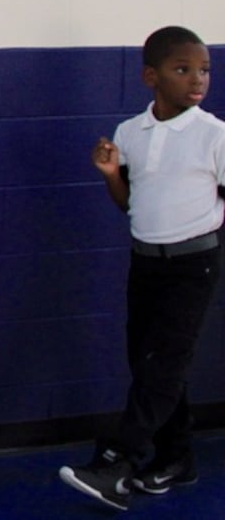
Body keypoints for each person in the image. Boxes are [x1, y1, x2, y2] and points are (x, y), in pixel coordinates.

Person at [58, 26, 225, 511]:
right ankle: (177, 457)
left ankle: (119, 461)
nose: (197, 80)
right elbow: (130, 204)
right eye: (183, 69)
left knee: (165, 365)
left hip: (195, 263)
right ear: (151, 76)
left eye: (204, 70)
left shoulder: (213, 134)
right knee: (148, 363)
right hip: (146, 260)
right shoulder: (131, 133)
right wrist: (111, 174)